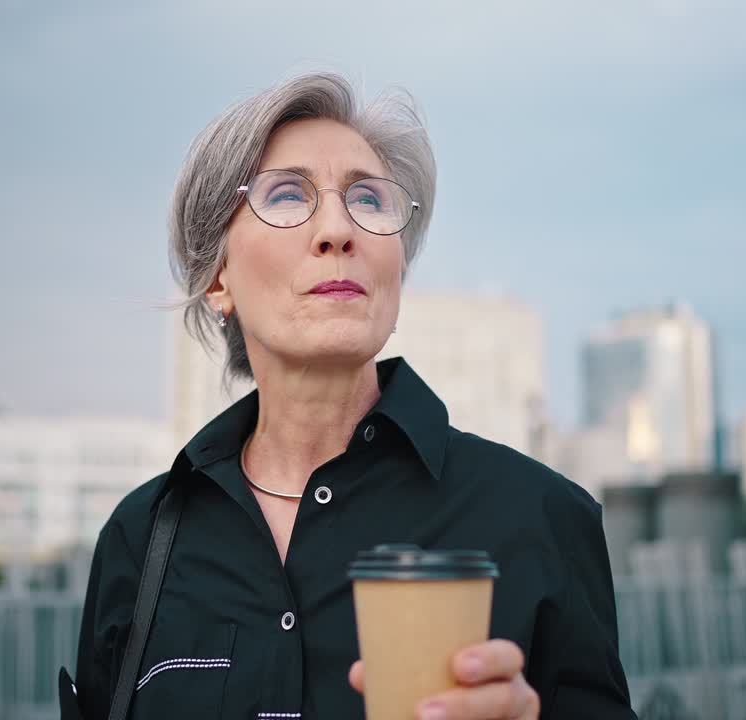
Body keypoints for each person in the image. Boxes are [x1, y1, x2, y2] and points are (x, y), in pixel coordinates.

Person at [73, 72, 635, 719]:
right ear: (218, 278)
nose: (338, 230)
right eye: (287, 196)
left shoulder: (541, 519)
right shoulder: (140, 540)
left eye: (369, 200)